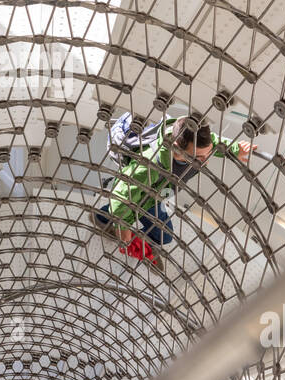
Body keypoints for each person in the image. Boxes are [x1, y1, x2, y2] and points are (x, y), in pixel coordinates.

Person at [93, 114, 254, 267]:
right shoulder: (149, 166)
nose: (205, 162)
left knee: (163, 234)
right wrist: (123, 230)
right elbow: (120, 197)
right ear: (176, 148)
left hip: (157, 194)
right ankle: (110, 221)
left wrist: (235, 148)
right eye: (198, 157)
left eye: (208, 154)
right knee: (161, 234)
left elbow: (212, 141)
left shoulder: (192, 141)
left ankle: (104, 217)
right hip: (147, 196)